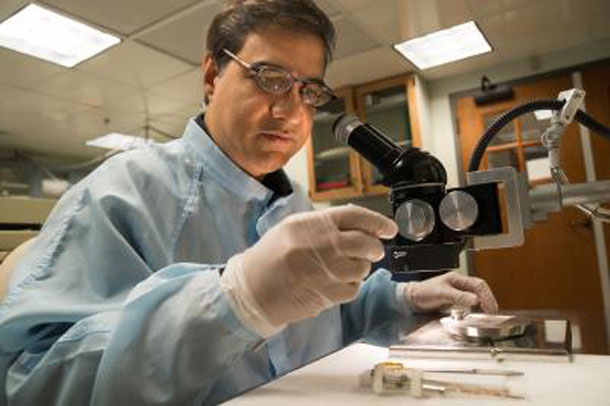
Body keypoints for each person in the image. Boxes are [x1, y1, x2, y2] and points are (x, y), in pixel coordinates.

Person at [0, 0, 498, 404]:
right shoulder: (122, 193)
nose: (288, 110)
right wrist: (232, 302)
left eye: (307, 90)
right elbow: (31, 385)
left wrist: (400, 298)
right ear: (213, 76)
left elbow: (328, 321)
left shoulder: (297, 204)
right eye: (268, 77)